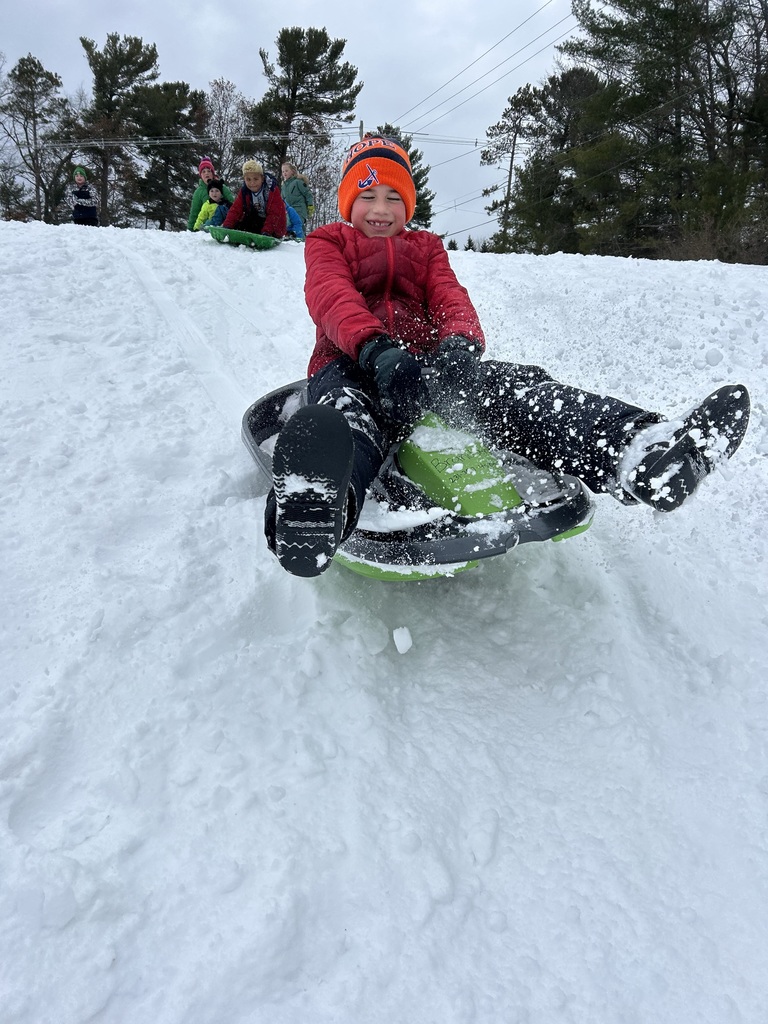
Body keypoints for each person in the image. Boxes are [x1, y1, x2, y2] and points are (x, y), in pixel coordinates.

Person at [265, 135, 750, 578]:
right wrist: (375, 348)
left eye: (394, 197)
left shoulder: (425, 247)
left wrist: (459, 345)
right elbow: (331, 295)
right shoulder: (329, 241)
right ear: (348, 201)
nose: (380, 208)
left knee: (518, 392)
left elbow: (450, 296)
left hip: (426, 369)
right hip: (353, 364)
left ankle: (641, 452)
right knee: (350, 418)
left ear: (408, 204)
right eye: (367, 195)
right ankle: (321, 506)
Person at [222, 160, 287, 238]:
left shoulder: (271, 190)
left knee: (268, 224)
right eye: (248, 179)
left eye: (255, 179)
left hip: (274, 225)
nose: (252, 183)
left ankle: (264, 234)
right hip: (257, 221)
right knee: (243, 222)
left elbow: (275, 213)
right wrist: (227, 225)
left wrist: (266, 232)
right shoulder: (245, 191)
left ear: (262, 178)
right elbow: (235, 209)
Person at [187, 158, 235, 232]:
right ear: (200, 175)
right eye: (203, 172)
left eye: (209, 171)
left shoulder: (221, 187)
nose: (206, 173)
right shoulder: (199, 192)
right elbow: (194, 212)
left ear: (212, 173)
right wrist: (191, 229)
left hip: (224, 219)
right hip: (208, 223)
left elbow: (233, 204)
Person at [280, 162, 314, 233]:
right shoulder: (284, 186)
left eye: (286, 171)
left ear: (292, 171)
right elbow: (282, 200)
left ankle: (299, 237)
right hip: (289, 211)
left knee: (297, 225)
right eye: (283, 171)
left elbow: (308, 194)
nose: (284, 173)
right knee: (289, 227)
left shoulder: (298, 182)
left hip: (299, 209)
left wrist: (310, 206)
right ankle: (296, 238)